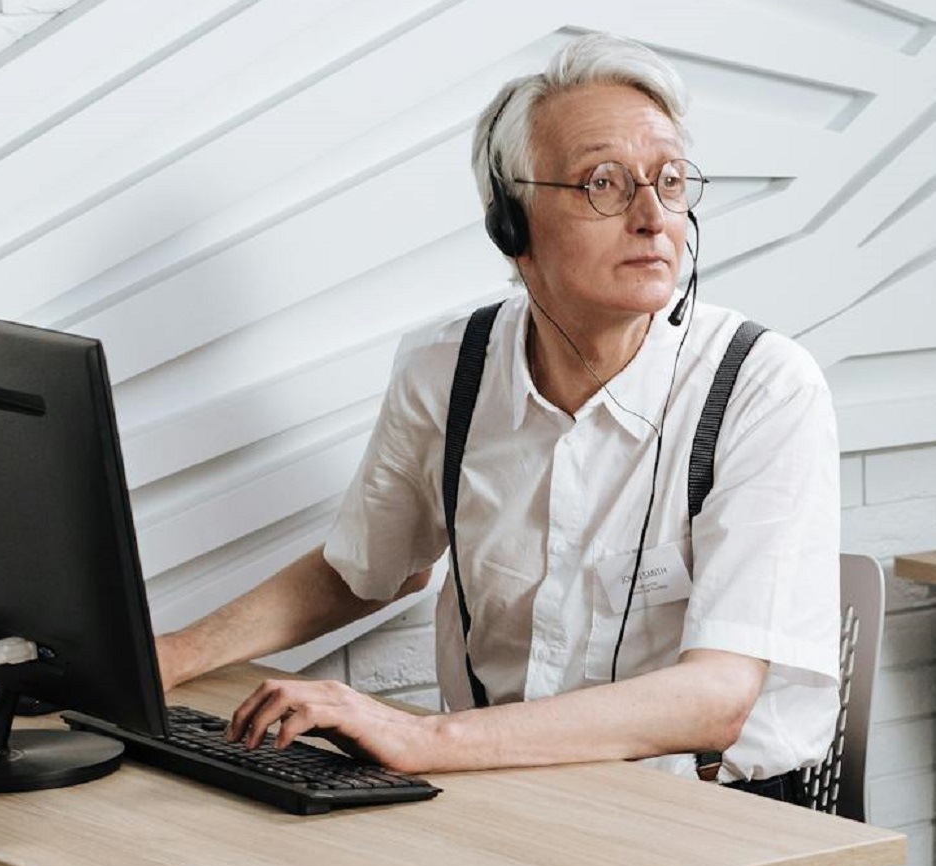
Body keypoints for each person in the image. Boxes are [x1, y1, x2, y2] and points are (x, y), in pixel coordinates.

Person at [155, 32, 840, 800]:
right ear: (510, 226)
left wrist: (421, 736)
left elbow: (714, 698)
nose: (652, 216)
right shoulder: (447, 369)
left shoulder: (763, 387)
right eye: (604, 184)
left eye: (671, 180)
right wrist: (169, 656)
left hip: (711, 811)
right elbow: (363, 570)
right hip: (503, 786)